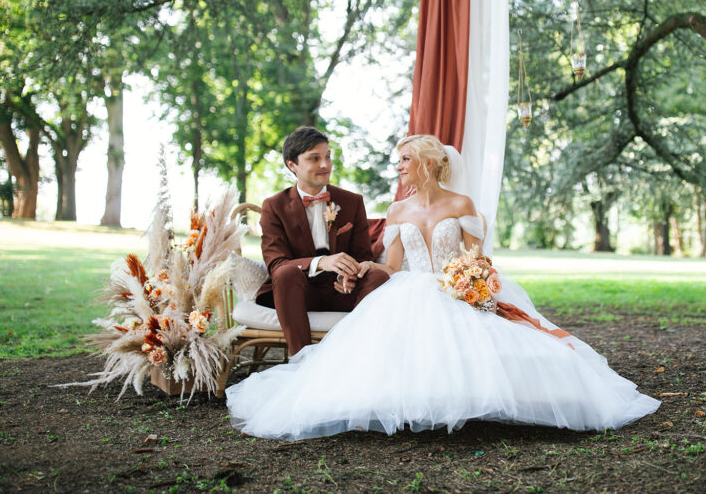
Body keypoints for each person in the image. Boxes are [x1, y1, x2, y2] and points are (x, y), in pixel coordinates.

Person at [227, 134, 660, 439]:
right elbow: (392, 266)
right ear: (294, 165)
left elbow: (477, 258)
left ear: (427, 163)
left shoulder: (461, 205)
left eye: (403, 161)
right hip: (409, 286)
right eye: (398, 162)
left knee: (491, 335)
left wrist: (472, 281)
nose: (397, 168)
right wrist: (363, 275)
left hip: (459, 284)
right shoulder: (396, 210)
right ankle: (318, 372)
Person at [255, 126, 389, 356]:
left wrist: (350, 276)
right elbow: (277, 263)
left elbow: (363, 256)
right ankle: (302, 360)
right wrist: (322, 262)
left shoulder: (352, 201)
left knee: (378, 275)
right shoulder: (274, 206)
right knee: (285, 273)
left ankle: (357, 355)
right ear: (292, 165)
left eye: (327, 156)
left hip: (343, 292)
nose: (325, 165)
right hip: (299, 292)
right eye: (314, 158)